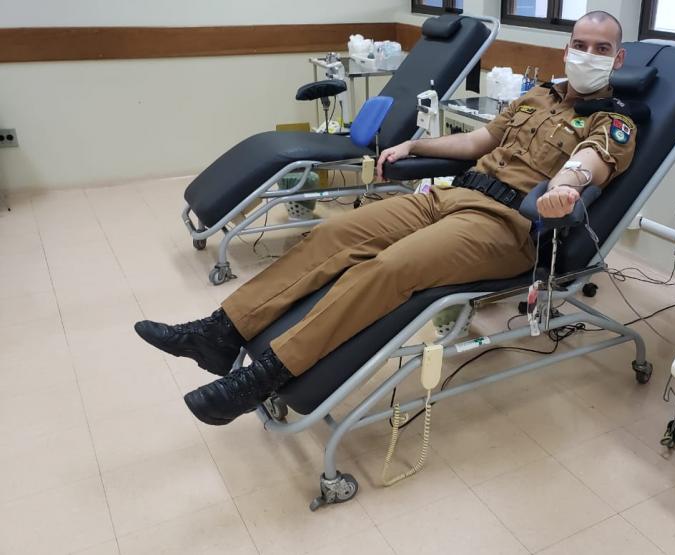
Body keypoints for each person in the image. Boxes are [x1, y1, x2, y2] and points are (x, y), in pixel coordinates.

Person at [135, 10, 637, 425]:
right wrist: (415, 143)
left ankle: (264, 375)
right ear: (565, 49)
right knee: (335, 233)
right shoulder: (537, 96)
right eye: (580, 44)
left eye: (599, 49)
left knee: (389, 268)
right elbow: (477, 143)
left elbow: (587, 164)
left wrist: (564, 189)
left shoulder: (614, 121)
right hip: (452, 196)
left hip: (505, 226)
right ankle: (220, 333)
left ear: (617, 58)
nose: (586, 56)